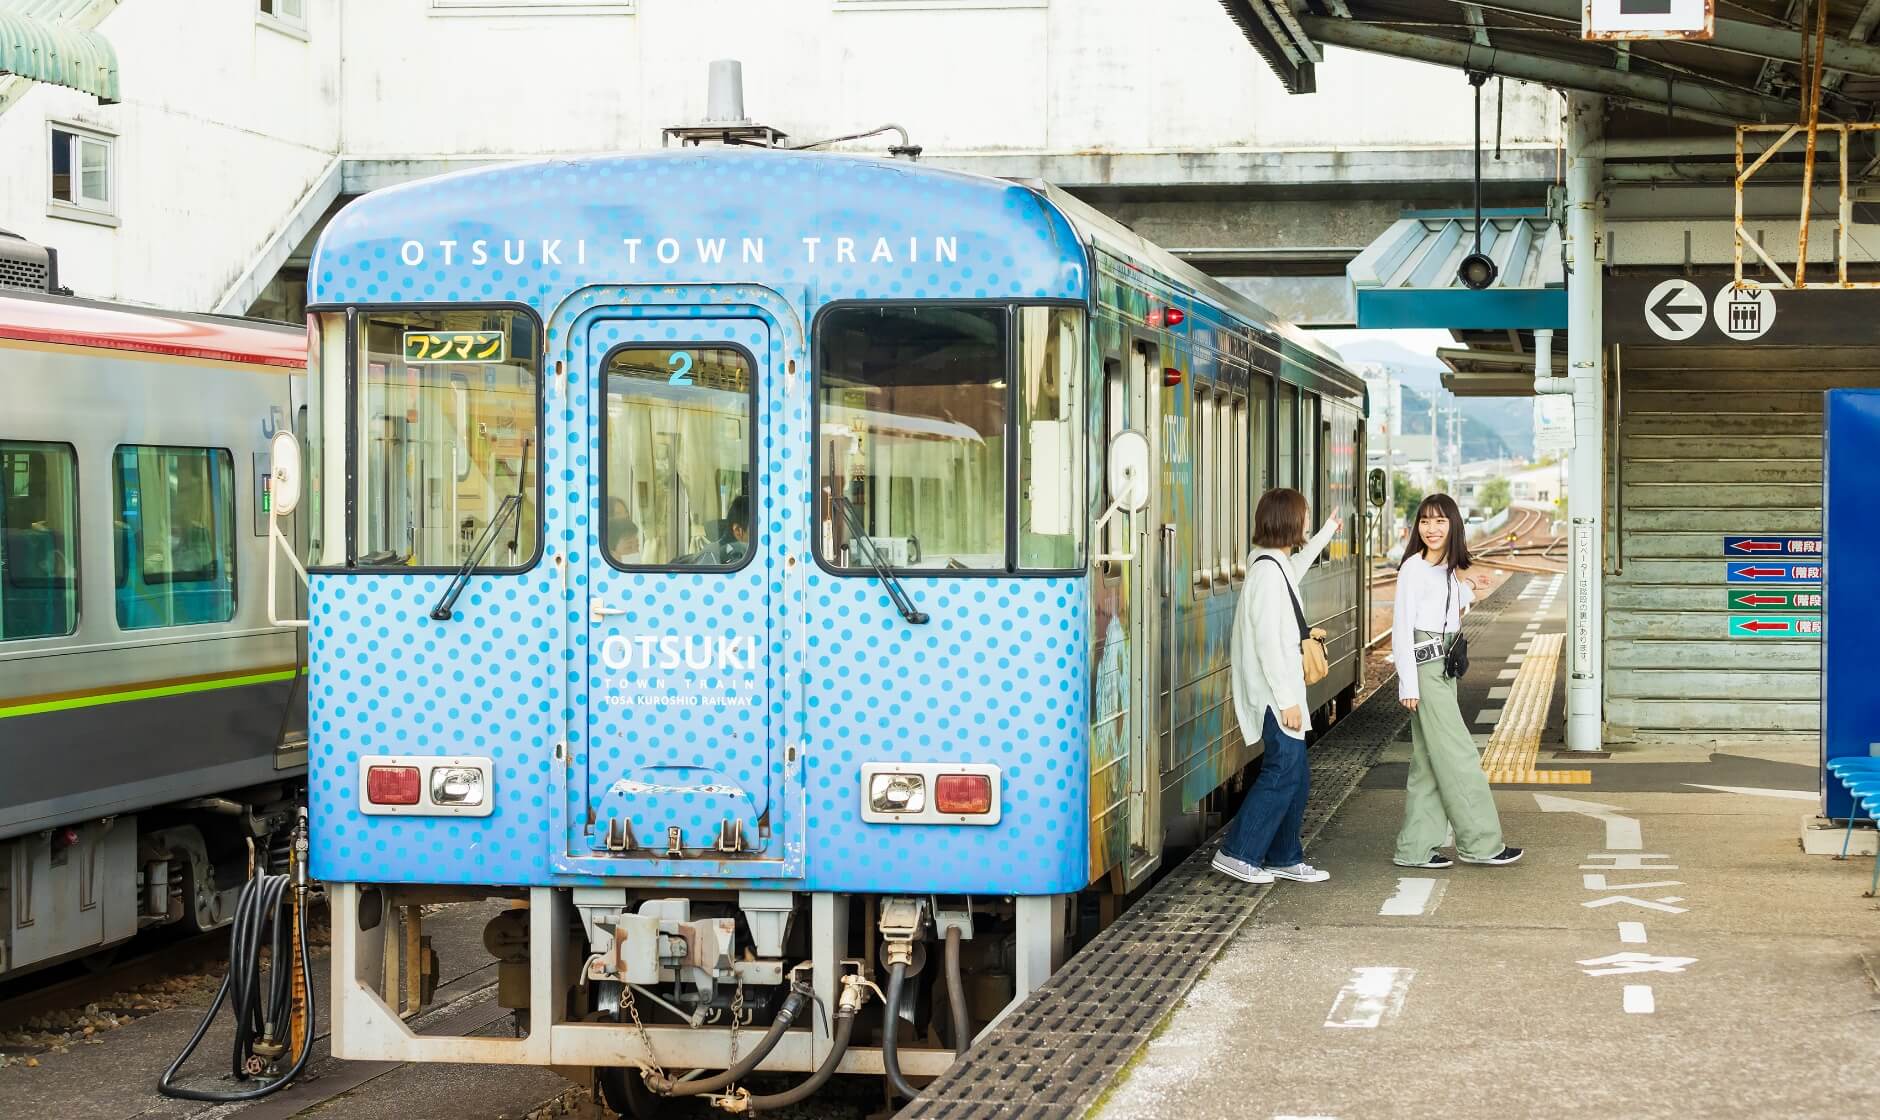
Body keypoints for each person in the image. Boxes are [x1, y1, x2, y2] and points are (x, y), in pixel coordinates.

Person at [1213, 488, 1342, 886]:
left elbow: (1296, 569)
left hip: (1281, 692)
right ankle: (1237, 853)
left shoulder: (1271, 563)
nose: (1305, 523)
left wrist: (1326, 532)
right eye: (1303, 517)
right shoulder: (1268, 574)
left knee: (1296, 776)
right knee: (1282, 772)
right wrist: (1286, 701)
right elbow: (1269, 643)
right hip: (1275, 695)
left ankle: (1284, 856)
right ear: (1289, 521)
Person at [1391, 492, 1523, 869]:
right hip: (1426, 672)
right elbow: (1403, 629)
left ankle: (1414, 848)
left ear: (1453, 526)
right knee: (1460, 755)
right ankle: (1481, 843)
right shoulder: (1413, 569)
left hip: (1442, 670)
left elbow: (1444, 607)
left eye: (1440, 521)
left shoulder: (1444, 569)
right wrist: (1409, 686)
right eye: (1425, 521)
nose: (1431, 529)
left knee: (1429, 761)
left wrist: (1470, 589)